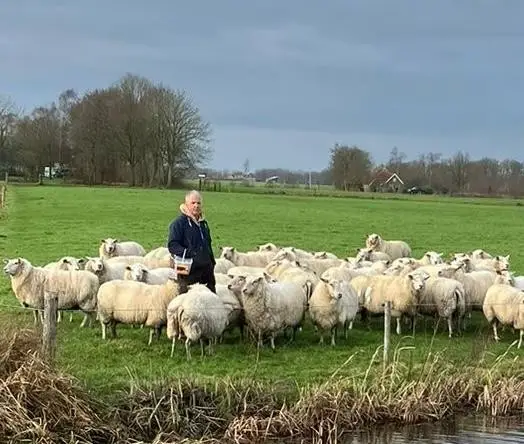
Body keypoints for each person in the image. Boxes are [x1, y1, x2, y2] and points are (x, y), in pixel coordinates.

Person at [167, 190, 216, 294]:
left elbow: (208, 243)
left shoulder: (203, 224)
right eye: (193, 203)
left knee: (210, 303)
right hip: (187, 273)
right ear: (186, 204)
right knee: (189, 304)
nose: (196, 206)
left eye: (198, 203)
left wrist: (211, 261)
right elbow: (172, 245)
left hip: (206, 273)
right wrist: (188, 253)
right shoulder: (178, 224)